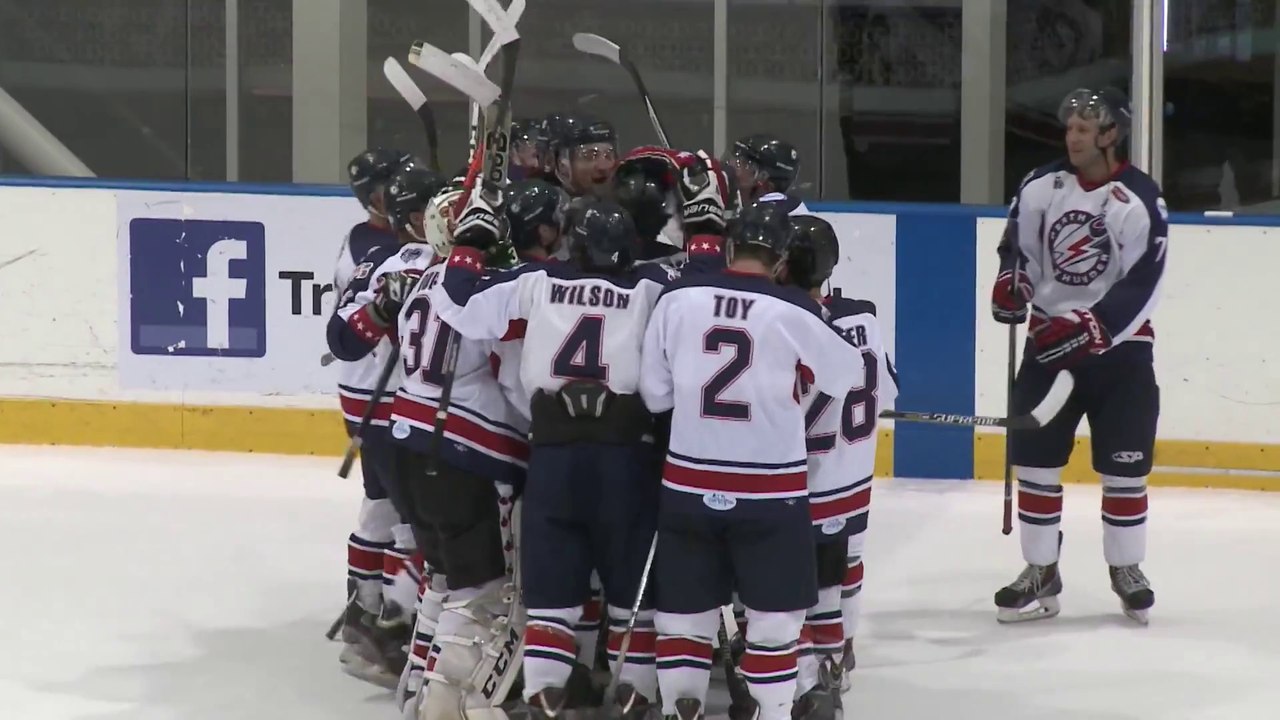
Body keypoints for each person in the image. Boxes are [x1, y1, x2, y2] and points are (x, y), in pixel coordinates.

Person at [638, 203, 866, 720]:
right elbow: (846, 376)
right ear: (782, 260)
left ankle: (681, 710)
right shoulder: (793, 310)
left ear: (729, 249)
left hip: (689, 486)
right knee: (773, 628)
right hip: (771, 496)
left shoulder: (678, 300)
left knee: (682, 624)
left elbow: (654, 396)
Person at [990, 87, 1166, 625]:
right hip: (1047, 346)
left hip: (1120, 354)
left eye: (1085, 129)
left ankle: (1126, 568)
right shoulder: (1042, 184)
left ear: (1112, 135)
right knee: (1036, 462)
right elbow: (1018, 247)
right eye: (1070, 126)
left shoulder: (1140, 198)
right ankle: (1041, 569)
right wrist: (1011, 281)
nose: (1073, 136)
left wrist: (1096, 325)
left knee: (1125, 468)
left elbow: (1145, 280)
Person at [326, 160, 448, 685]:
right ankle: (392, 619)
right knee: (407, 516)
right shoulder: (383, 260)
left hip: (393, 400)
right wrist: (378, 314)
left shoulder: (407, 256)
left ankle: (374, 610)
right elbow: (343, 333)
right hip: (388, 402)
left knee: (393, 509)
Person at [784, 215, 897, 718]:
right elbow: (888, 391)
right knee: (844, 569)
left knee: (799, 584)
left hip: (809, 478)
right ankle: (841, 652)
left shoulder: (790, 322)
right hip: (854, 475)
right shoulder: (864, 318)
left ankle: (809, 671)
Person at [725, 134, 807, 212]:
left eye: (744, 164)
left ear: (763, 177)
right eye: (734, 161)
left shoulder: (768, 218)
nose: (731, 168)